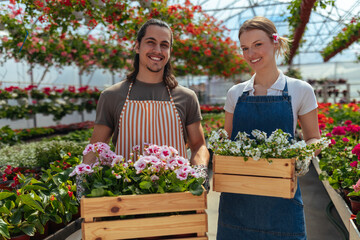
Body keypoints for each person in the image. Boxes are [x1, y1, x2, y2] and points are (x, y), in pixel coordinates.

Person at [217, 16, 320, 240]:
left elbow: (313, 137)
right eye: (245, 48)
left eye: (257, 45)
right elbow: (227, 138)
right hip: (238, 201)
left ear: (275, 42)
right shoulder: (235, 94)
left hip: (282, 200)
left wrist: (303, 157)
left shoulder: (300, 90)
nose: (251, 54)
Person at [81, 19, 209, 191]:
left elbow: (198, 145)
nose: (157, 50)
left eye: (164, 45)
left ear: (170, 51)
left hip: (177, 195)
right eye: (151, 42)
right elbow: (96, 148)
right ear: (137, 46)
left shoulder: (186, 97)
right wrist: (83, 180)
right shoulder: (112, 96)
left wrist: (200, 170)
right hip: (126, 198)